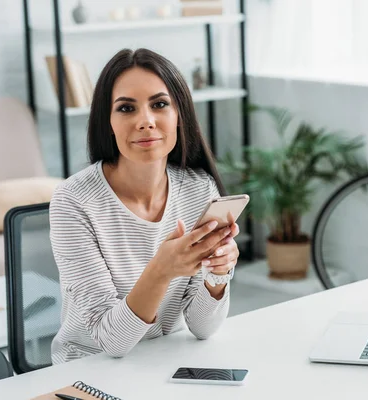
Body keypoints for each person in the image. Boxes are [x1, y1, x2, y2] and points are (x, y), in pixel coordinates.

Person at [49, 48, 241, 364]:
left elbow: (203, 328)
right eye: (126, 108)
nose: (146, 121)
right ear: (107, 121)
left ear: (180, 114)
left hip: (163, 361)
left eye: (160, 104)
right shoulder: (73, 201)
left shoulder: (197, 187)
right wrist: (162, 270)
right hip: (89, 369)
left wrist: (216, 276)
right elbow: (111, 342)